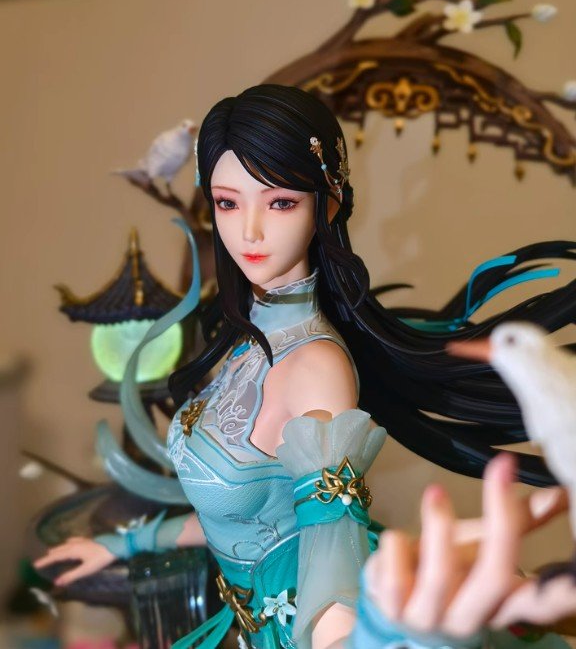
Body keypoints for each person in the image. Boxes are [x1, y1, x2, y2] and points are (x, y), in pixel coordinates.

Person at [36, 85, 576, 648]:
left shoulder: (316, 366)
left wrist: (352, 639)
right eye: (228, 203)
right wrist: (123, 544)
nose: (249, 231)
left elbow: (331, 562)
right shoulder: (243, 340)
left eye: (280, 203)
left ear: (328, 204)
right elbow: (247, 522)